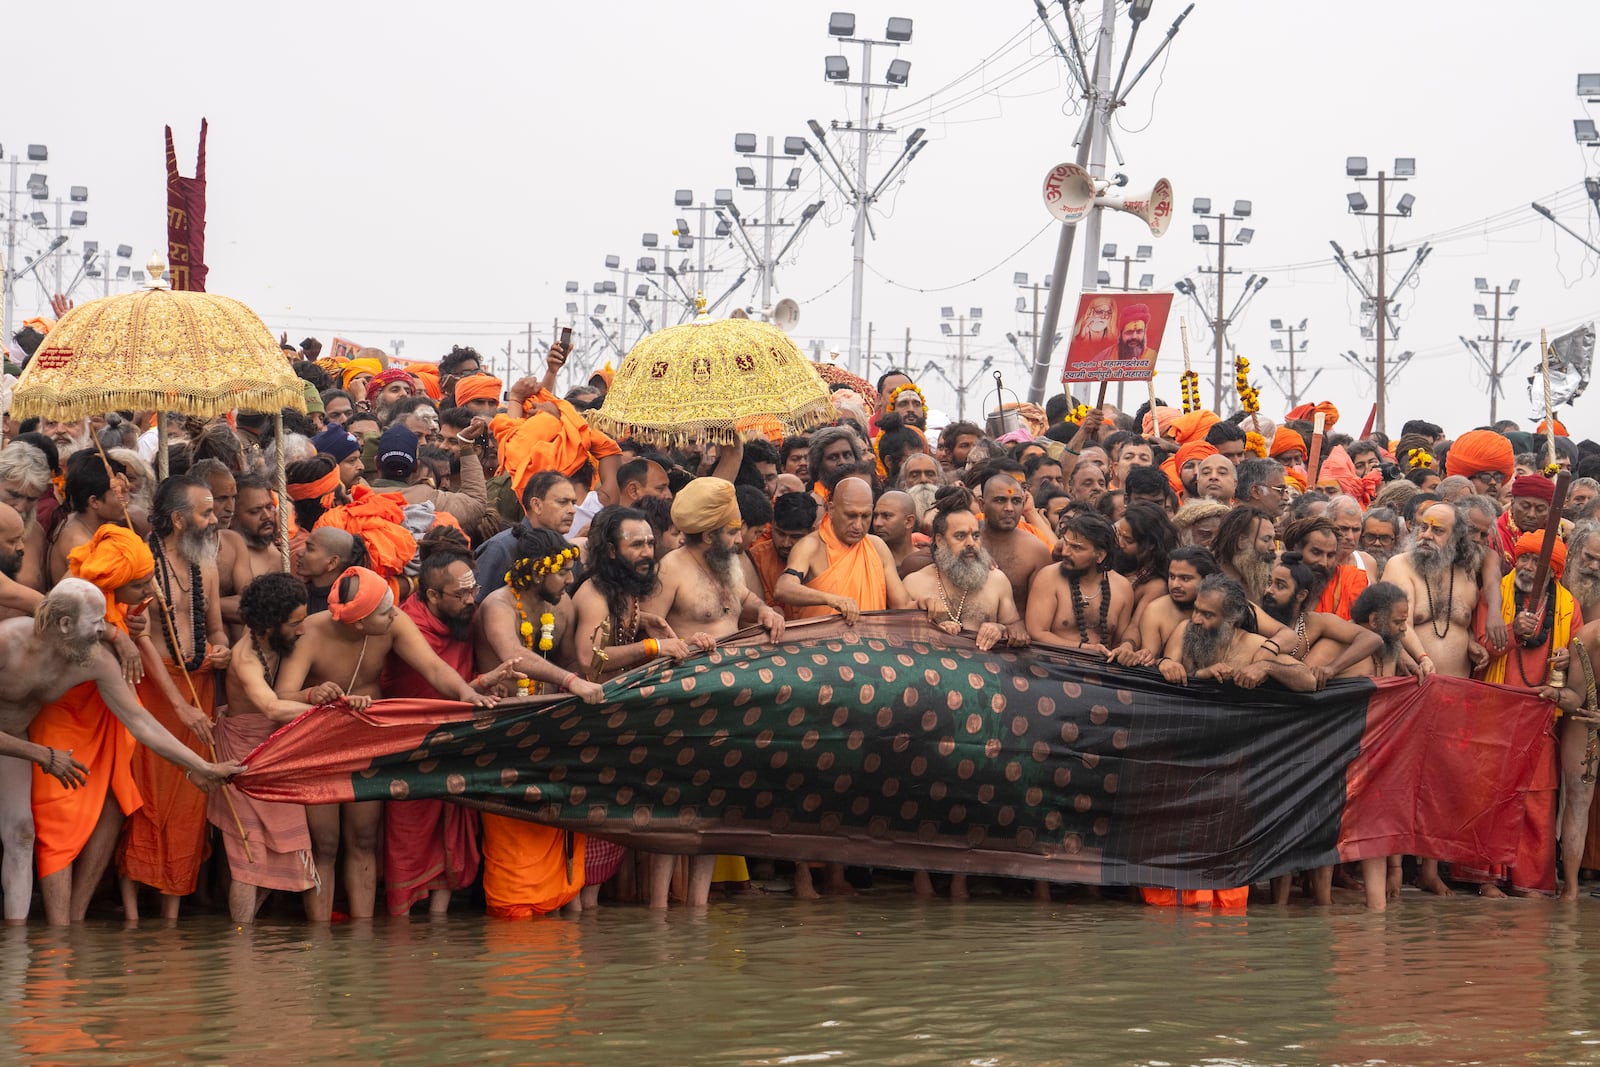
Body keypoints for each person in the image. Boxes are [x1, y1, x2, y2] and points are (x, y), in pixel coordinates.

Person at [0, 579, 240, 923]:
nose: (105, 631)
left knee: (22, 834)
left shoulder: (92, 659)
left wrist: (200, 765)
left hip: (14, 743)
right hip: (26, 748)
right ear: (65, 624)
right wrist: (43, 755)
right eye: (97, 623)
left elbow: (140, 722)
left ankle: (16, 949)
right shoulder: (8, 641)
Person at [274, 566, 498, 920]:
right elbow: (281, 697)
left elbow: (435, 668)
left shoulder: (391, 621)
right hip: (319, 743)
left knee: (364, 838)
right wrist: (314, 693)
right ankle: (319, 936)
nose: (395, 614)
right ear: (359, 622)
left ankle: (363, 937)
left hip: (366, 739)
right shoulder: (311, 632)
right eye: (384, 611)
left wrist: (468, 693)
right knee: (326, 844)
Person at [642, 478, 784, 907]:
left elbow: (742, 602)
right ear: (708, 534)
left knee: (715, 807)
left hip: (731, 706)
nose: (740, 538)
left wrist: (766, 611)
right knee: (674, 810)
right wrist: (685, 646)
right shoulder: (671, 568)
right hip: (681, 705)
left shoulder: (729, 564)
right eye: (731, 530)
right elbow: (647, 628)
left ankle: (698, 909)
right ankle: (657, 910)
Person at [217, 572, 367, 923]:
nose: (302, 630)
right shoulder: (246, 657)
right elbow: (271, 708)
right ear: (270, 625)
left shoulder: (278, 643)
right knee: (248, 858)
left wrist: (314, 695)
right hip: (242, 760)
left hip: (276, 754)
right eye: (296, 623)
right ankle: (240, 951)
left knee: (292, 851)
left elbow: (285, 698)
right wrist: (329, 716)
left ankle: (248, 935)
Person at [119, 475, 233, 922]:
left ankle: (170, 915)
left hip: (199, 685)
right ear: (179, 520)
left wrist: (221, 648)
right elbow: (139, 636)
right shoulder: (143, 567)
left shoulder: (206, 564)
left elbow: (217, 625)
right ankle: (131, 915)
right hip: (154, 689)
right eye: (206, 512)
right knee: (147, 798)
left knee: (191, 798)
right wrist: (179, 705)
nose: (215, 518)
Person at [385, 538, 519, 918]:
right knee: (407, 837)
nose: (471, 600)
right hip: (410, 745)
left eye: (474, 589)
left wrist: (486, 683)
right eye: (461, 594)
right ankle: (399, 927)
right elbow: (430, 684)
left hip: (459, 740)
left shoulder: (464, 621)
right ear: (431, 594)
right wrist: (477, 686)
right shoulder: (407, 625)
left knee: (454, 834)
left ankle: (440, 921)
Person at [1457, 532, 1577, 898]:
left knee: (1538, 799)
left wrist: (1568, 659)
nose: (1526, 567)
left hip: (1542, 714)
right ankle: (1487, 880)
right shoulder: (1497, 595)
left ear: (1553, 571)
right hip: (1495, 711)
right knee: (1493, 796)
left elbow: (1578, 651)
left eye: (1536, 562)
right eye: (1522, 559)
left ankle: (1531, 882)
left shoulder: (1568, 604)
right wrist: (1511, 632)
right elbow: (1479, 652)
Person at [775, 476, 912, 623]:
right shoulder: (811, 546)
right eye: (851, 516)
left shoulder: (877, 546)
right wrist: (830, 599)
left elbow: (903, 605)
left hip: (872, 643)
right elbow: (783, 588)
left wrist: (927, 604)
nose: (858, 526)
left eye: (865, 516)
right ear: (831, 509)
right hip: (823, 643)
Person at [1156, 574, 1320, 692]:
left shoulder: (1253, 646)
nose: (1196, 620)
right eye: (1196, 610)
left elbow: (1309, 681)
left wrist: (1266, 667)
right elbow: (1169, 672)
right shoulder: (1186, 629)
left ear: (1231, 619)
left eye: (1207, 615)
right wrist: (1163, 663)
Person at [904, 498, 1027, 652]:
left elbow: (1016, 627)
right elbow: (899, 637)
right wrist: (933, 631)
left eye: (975, 536)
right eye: (960, 536)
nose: (971, 543)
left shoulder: (997, 580)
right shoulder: (914, 583)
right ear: (940, 541)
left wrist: (999, 629)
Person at [1262, 551, 1385, 683]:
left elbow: (1372, 639)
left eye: (1280, 586)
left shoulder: (1314, 621)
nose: (1269, 590)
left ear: (1301, 595)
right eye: (1269, 583)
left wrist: (1332, 669)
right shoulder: (1257, 616)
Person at [1027, 510, 1134, 655]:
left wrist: (1125, 649)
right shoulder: (1048, 577)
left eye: (1076, 547)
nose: (1065, 552)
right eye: (1065, 542)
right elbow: (1037, 633)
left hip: (1104, 671)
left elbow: (1119, 641)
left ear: (1100, 555)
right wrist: (1085, 649)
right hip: (1055, 667)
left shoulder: (1122, 588)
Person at [475, 470, 580, 595]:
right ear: (536, 505)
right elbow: (476, 606)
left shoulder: (566, 551)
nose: (572, 510)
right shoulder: (501, 548)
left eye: (573, 503)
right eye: (563, 502)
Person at [1114, 545, 1218, 666]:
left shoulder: (1223, 608)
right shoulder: (1156, 610)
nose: (1175, 585)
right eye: (1172, 577)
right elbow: (1149, 659)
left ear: (1207, 579)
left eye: (1185, 578)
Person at [974, 472, 1053, 615]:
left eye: (1016, 501)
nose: (1009, 508)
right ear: (981, 504)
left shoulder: (1036, 551)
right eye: (1000, 500)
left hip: (1016, 634)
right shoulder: (963, 540)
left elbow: (1040, 614)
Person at [748, 492, 819, 618]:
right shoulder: (756, 557)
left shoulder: (824, 556)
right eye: (780, 533)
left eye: (795, 536)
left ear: (812, 532)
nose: (785, 543)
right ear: (772, 525)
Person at [871, 490, 919, 573]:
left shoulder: (928, 562)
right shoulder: (867, 559)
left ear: (909, 521)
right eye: (875, 516)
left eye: (886, 516)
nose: (877, 523)